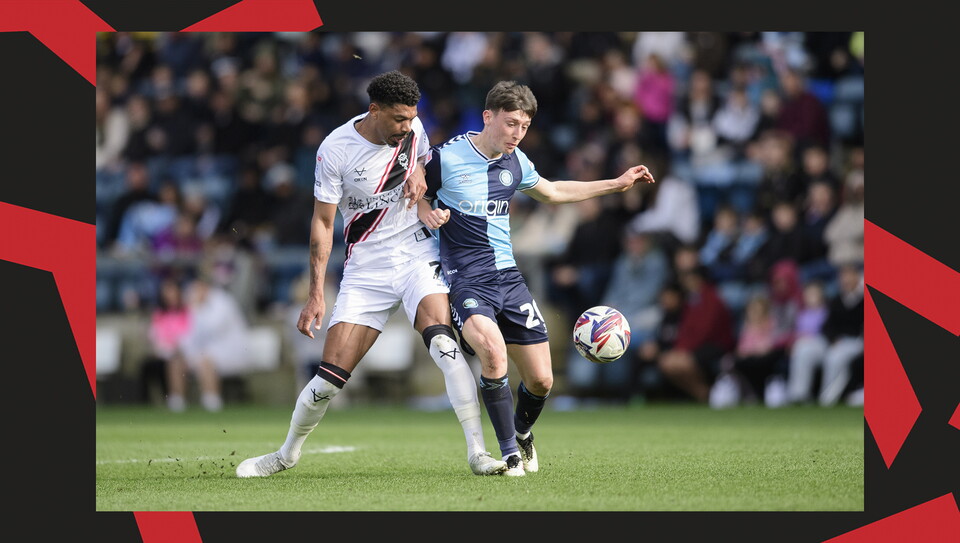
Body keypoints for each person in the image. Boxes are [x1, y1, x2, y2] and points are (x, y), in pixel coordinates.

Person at [237, 71, 507, 478]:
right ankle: (286, 454)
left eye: (411, 118)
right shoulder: (335, 150)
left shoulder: (412, 129)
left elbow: (421, 165)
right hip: (367, 268)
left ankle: (477, 453)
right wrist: (316, 294)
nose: (406, 126)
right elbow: (323, 225)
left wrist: (419, 174)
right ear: (374, 110)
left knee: (444, 346)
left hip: (417, 254)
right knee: (328, 379)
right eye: (398, 119)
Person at [420, 80, 655, 476]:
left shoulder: (517, 162)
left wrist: (616, 184)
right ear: (487, 117)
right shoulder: (444, 158)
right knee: (493, 354)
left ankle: (524, 434)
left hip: (509, 278)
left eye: (524, 126)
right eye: (510, 123)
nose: (517, 134)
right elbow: (413, 193)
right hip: (465, 276)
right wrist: (426, 211)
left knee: (543, 380)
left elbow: (553, 191)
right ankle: (510, 454)